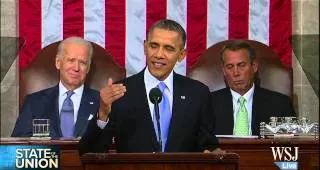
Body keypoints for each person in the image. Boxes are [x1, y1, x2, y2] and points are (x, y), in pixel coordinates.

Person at [79, 19, 222, 154]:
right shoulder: (120, 93)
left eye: (169, 49)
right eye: (154, 46)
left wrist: (215, 154)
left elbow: (208, 146)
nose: (159, 54)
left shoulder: (198, 93)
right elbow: (89, 153)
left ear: (181, 55)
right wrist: (102, 115)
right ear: (145, 47)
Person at [11, 37, 99, 138]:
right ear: (58, 62)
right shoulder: (34, 102)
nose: (76, 68)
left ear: (88, 68)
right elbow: (18, 144)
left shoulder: (102, 102)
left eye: (82, 63)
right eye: (71, 60)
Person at [211, 40, 296, 136]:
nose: (236, 73)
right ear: (224, 71)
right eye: (230, 67)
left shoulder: (280, 104)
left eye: (241, 65)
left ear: (254, 66)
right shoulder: (208, 104)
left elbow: (291, 144)